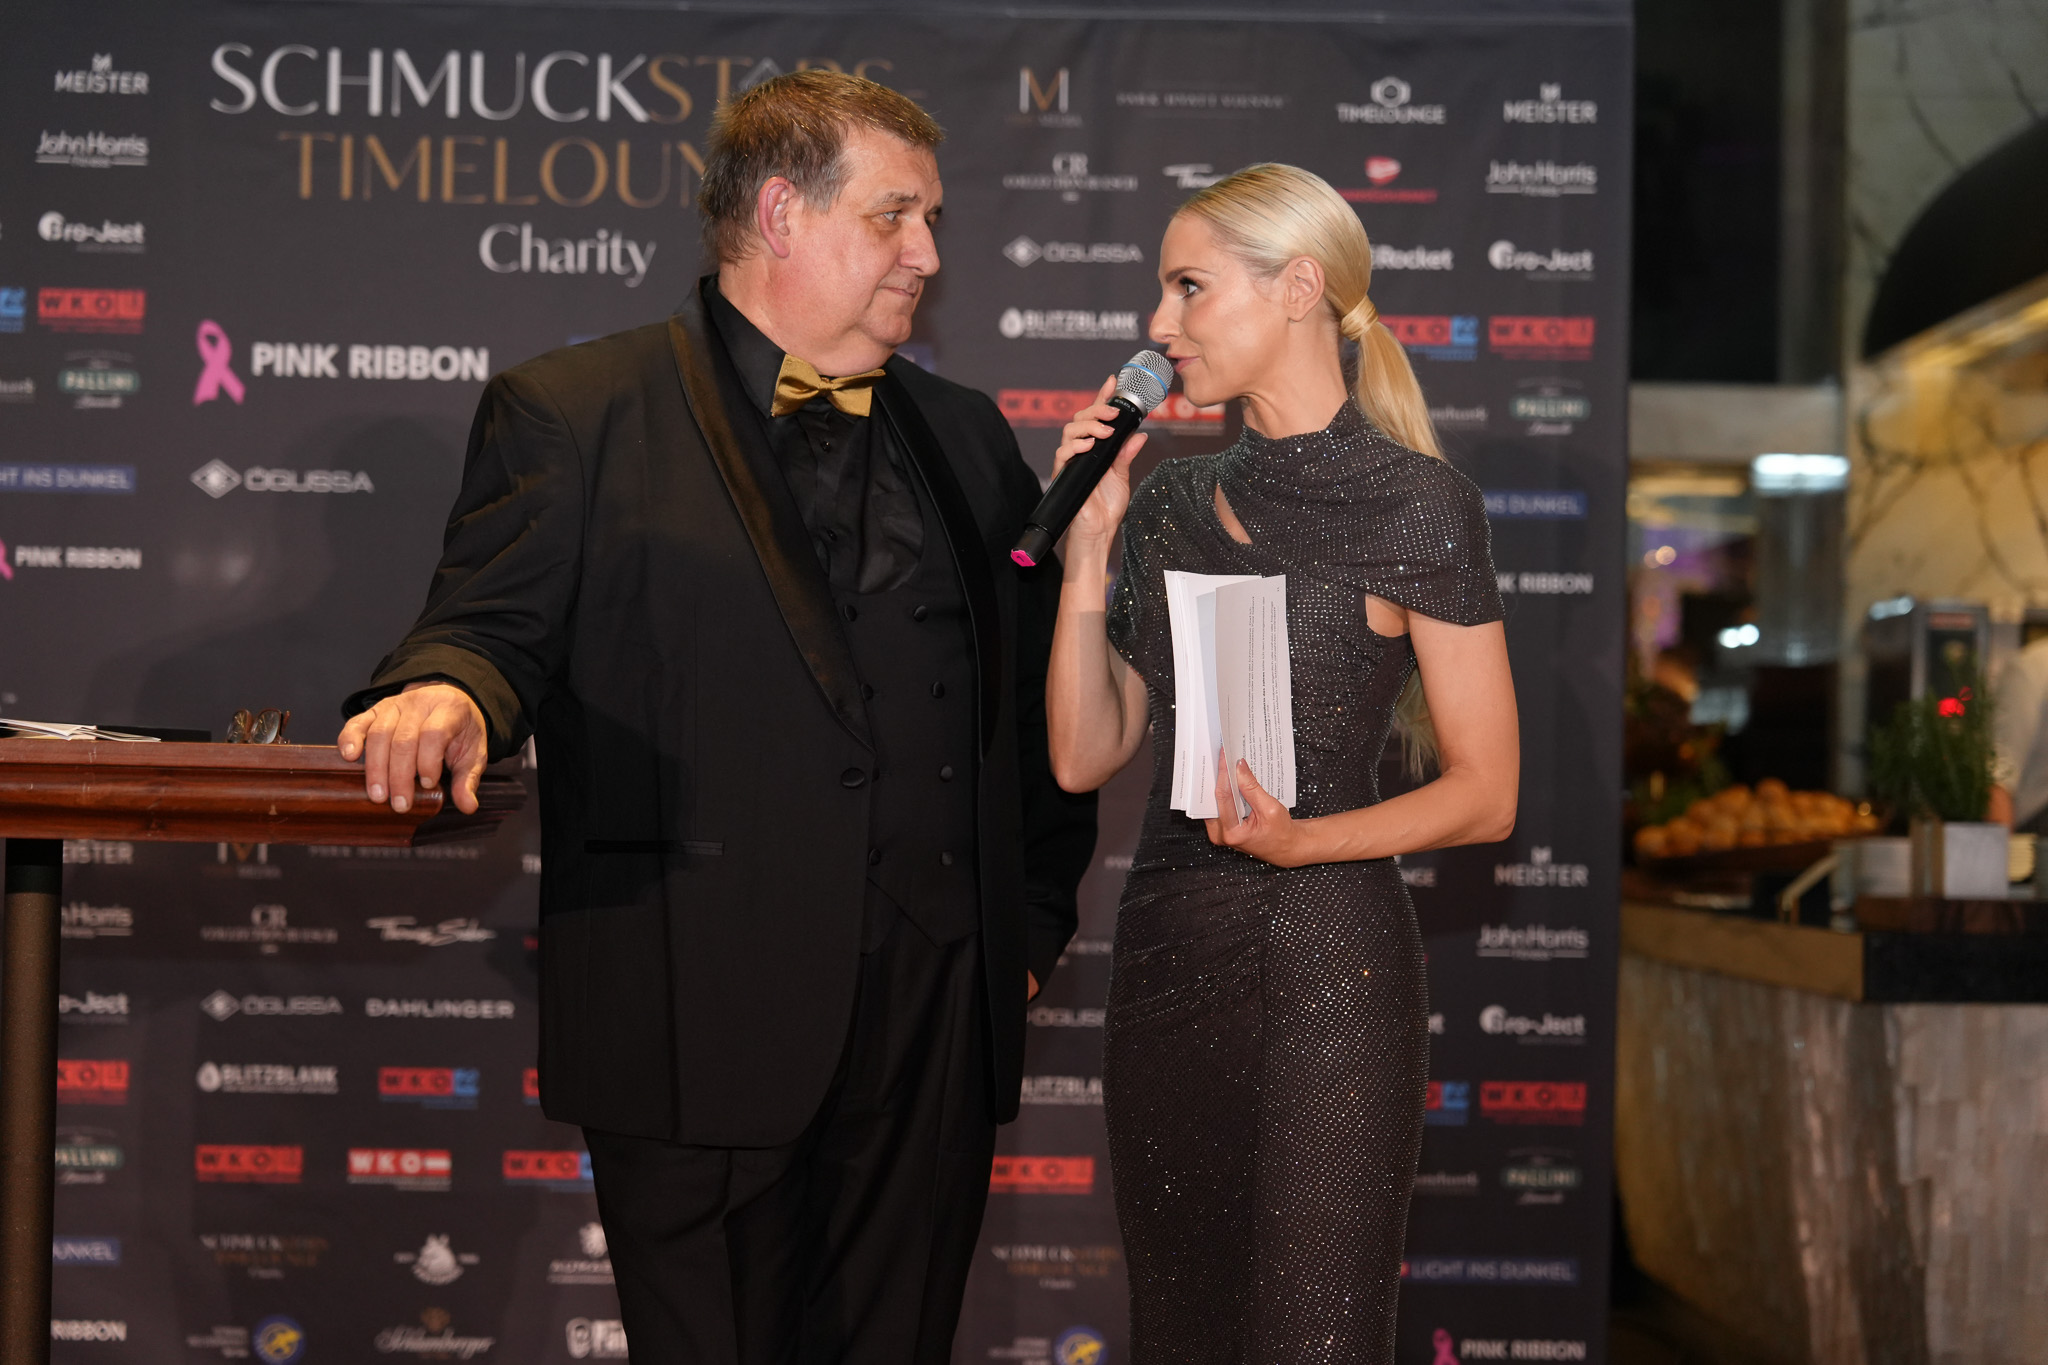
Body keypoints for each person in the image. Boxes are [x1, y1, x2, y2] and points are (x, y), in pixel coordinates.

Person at [337, 70, 1096, 1365]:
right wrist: (446, 689)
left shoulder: (968, 436)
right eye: (896, 216)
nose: (926, 253)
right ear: (782, 213)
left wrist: (1021, 930)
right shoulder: (575, 412)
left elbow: (1030, 712)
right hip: (697, 1006)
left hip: (930, 1019)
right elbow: (489, 625)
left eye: (933, 220)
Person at [1045, 164, 1520, 1364]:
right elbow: (1082, 752)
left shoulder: (1417, 506)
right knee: (1179, 1331)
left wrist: (1301, 839)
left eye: (1188, 287)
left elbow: (1485, 793)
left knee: (1317, 1337)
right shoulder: (1166, 503)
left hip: (1328, 965)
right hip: (1166, 950)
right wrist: (1087, 549)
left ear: (1297, 287)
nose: (1159, 323)